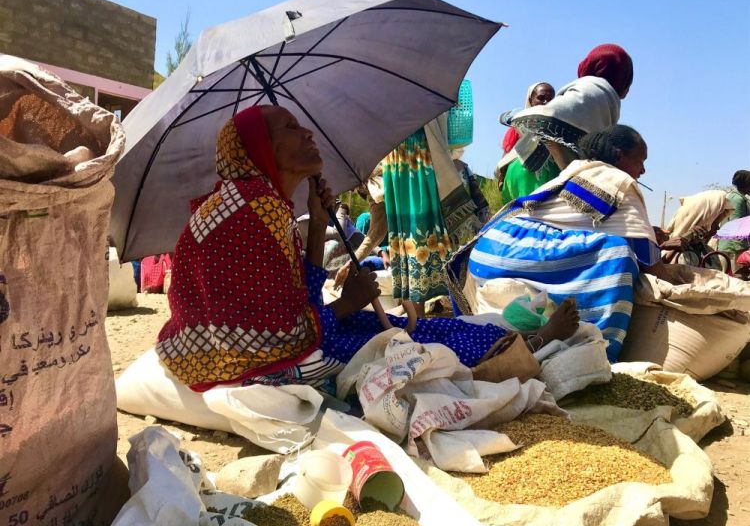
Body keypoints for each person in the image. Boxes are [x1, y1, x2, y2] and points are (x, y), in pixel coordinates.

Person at [156, 105, 580, 392]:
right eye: (288, 128)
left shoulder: (251, 200)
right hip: (253, 366)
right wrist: (347, 305)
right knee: (415, 347)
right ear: (261, 150)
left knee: (399, 327)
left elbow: (289, 300)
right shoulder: (257, 209)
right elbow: (276, 335)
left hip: (224, 350)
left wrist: (319, 222)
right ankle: (529, 349)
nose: (305, 131)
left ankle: (520, 343)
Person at [448, 124, 672, 362]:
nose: (644, 170)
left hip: (489, 249)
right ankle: (598, 350)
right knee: (618, 254)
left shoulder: (577, 170)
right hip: (520, 248)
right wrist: (676, 282)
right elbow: (650, 262)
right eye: (640, 161)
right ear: (619, 156)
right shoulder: (619, 181)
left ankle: (538, 338)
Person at [499, 44, 633, 204]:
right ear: (620, 76)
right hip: (537, 173)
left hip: (527, 171)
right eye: (627, 79)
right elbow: (549, 125)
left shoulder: (595, 94)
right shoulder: (595, 92)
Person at [383, 115, 480, 317]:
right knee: (417, 227)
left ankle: (423, 316)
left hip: (404, 152)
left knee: (414, 228)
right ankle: (426, 316)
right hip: (414, 153)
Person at [663, 190, 732, 268]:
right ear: (701, 221)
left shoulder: (709, 252)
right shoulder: (675, 254)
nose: (718, 228)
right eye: (714, 222)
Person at [717, 170, 750, 271]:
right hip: (734, 248)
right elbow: (736, 224)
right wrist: (742, 248)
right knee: (738, 279)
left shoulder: (735, 197)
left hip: (728, 245)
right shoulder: (738, 199)